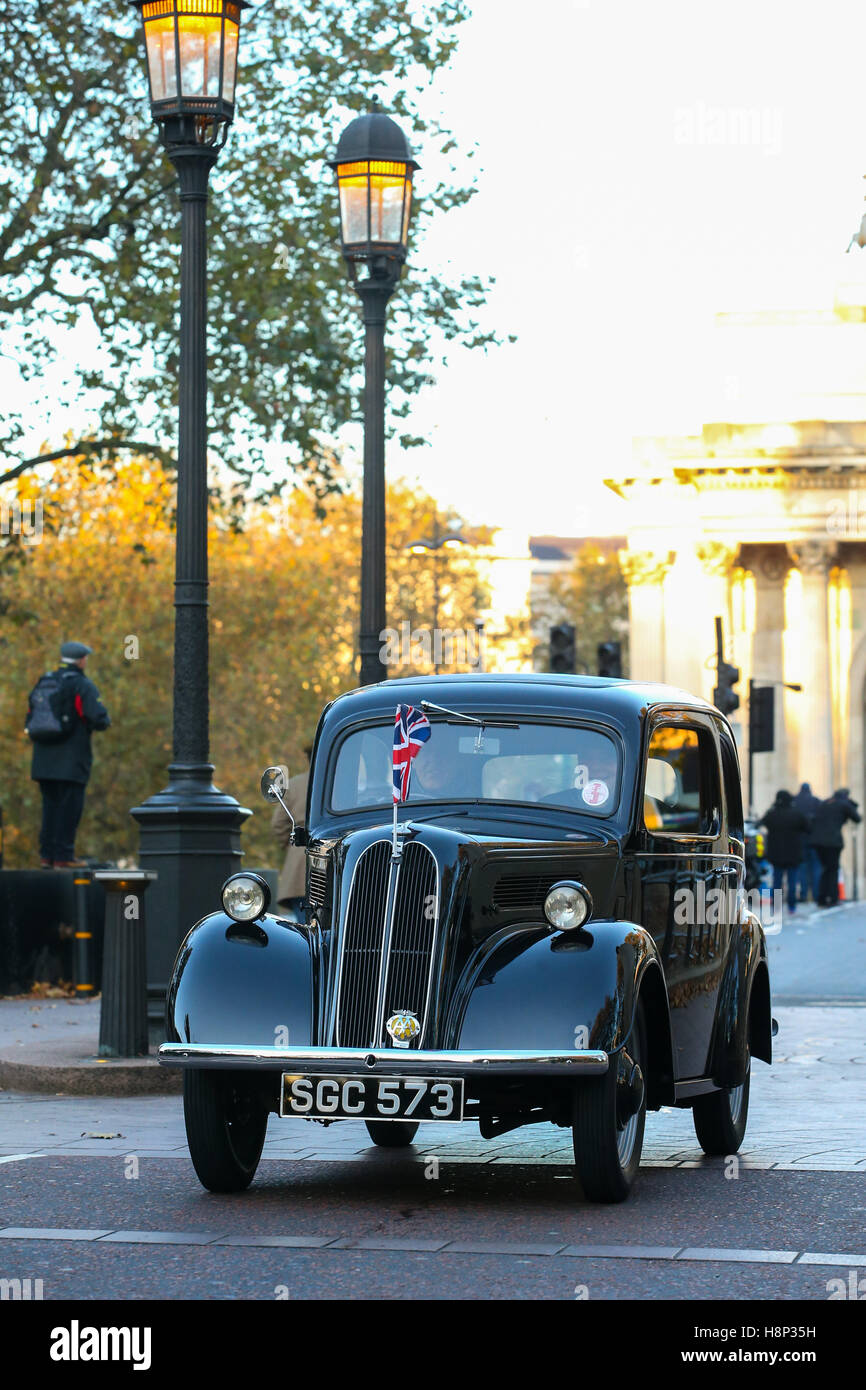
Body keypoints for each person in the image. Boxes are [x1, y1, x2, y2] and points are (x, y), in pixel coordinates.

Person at [28, 640, 110, 868]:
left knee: (50, 808)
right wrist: (102, 722)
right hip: (72, 762)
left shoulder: (45, 681)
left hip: (43, 762)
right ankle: (64, 857)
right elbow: (98, 717)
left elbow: (30, 717)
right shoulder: (82, 685)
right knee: (69, 809)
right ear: (82, 660)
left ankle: (47, 856)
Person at [271, 749, 311, 916]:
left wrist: (291, 846)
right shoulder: (342, 783)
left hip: (299, 865)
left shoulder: (294, 784)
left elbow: (278, 824)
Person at [759, 790, 809, 914]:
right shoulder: (797, 814)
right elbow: (808, 828)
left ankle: (776, 906)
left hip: (776, 853)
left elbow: (760, 823)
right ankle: (792, 907)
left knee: (777, 881)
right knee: (792, 882)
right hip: (794, 853)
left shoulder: (772, 813)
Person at [810, 788, 861, 907]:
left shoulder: (825, 803)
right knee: (832, 869)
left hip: (818, 841)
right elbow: (857, 818)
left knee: (825, 869)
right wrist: (850, 803)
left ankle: (822, 898)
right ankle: (833, 898)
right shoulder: (843, 804)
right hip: (832, 842)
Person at [792, 781, 821, 903]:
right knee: (815, 868)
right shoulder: (816, 801)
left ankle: (803, 895)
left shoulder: (795, 801)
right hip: (814, 839)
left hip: (799, 840)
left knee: (802, 869)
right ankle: (816, 895)